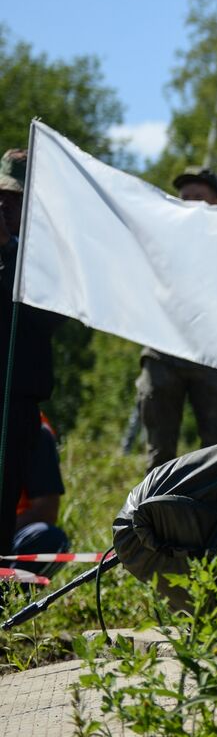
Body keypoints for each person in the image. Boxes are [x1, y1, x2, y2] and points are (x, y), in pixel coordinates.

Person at [135, 167, 217, 471]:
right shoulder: (160, 236)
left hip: (210, 354)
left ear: (216, 201)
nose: (191, 204)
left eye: (199, 197)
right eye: (185, 198)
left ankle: (213, 517)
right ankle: (153, 516)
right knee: (159, 451)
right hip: (162, 351)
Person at [0, 149, 66, 556]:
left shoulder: (45, 261)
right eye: (0, 197)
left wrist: (9, 250)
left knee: (5, 496)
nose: (5, 205)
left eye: (14, 199)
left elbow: (49, 320)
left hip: (16, 402)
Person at [11, 414, 69, 579]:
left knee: (49, 539)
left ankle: (7, 598)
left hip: (12, 538)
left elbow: (45, 511)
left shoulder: (34, 430)